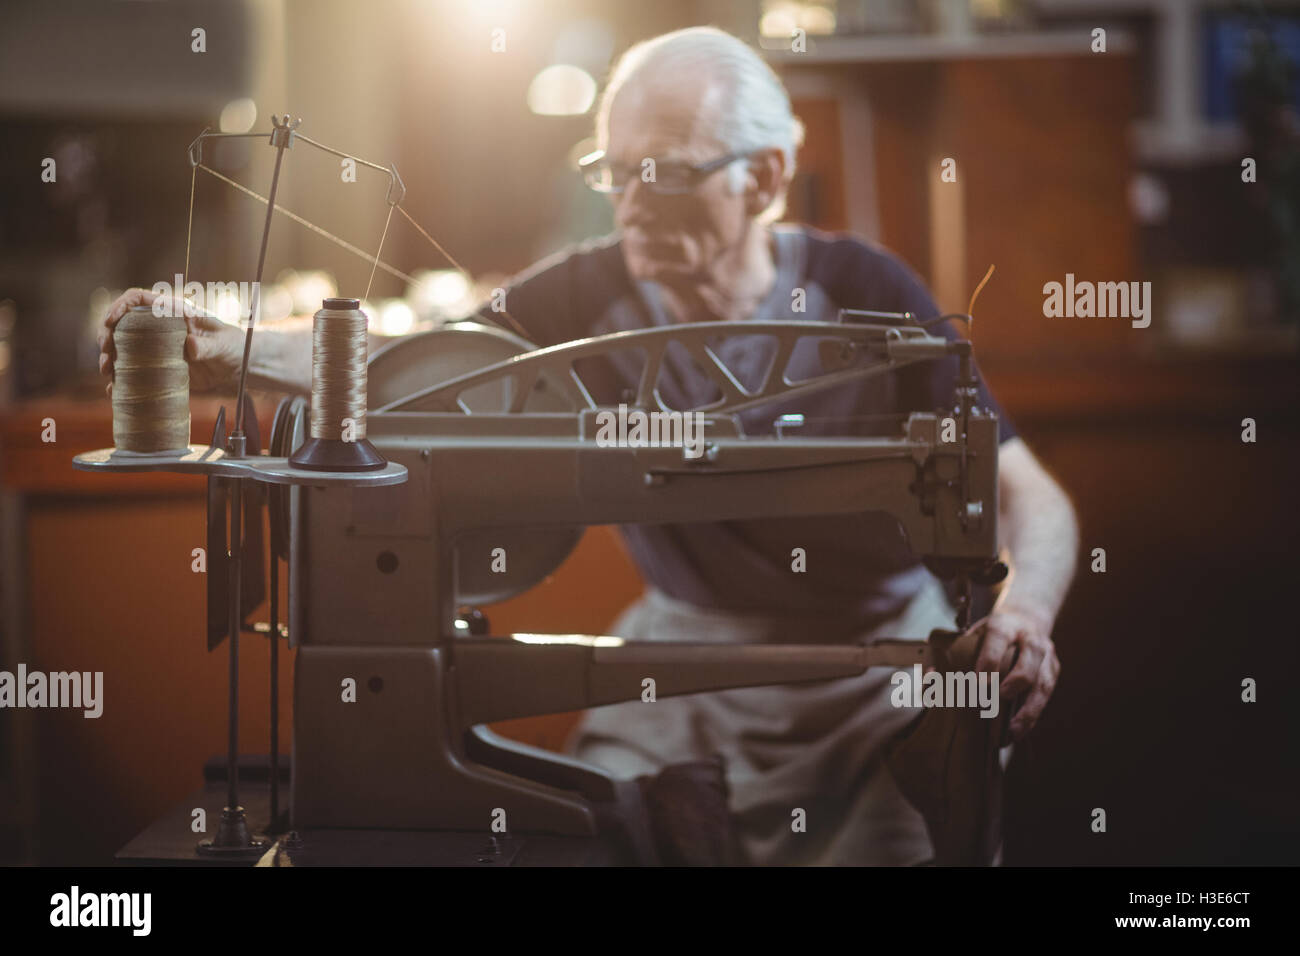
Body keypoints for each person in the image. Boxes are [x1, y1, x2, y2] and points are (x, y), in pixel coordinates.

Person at [99, 26, 1077, 865]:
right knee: (590, 824)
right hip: (687, 663)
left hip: (879, 682)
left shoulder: (870, 291)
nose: (631, 201)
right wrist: (222, 347)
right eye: (614, 172)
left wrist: (1024, 611)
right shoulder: (583, 293)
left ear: (767, 176)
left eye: (666, 172)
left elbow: (1027, 494)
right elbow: (424, 368)